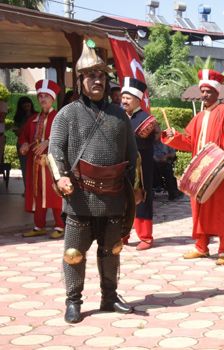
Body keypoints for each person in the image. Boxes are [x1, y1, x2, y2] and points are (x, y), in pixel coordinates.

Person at [48, 39, 138, 323]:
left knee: (111, 251)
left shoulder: (119, 116)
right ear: (81, 81)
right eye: (91, 75)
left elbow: (132, 156)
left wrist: (134, 190)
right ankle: (73, 301)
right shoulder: (67, 114)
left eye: (101, 75)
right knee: (74, 253)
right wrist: (60, 177)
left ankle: (109, 298)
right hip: (80, 197)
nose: (97, 80)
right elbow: (54, 151)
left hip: (113, 197)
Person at [162, 69, 224, 265]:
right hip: (200, 170)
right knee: (199, 207)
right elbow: (189, 142)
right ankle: (201, 246)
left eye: (208, 91)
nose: (205, 95)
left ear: (217, 92)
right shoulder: (198, 117)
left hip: (220, 168)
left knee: (223, 208)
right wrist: (174, 136)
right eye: (202, 91)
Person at [18, 80, 65, 239]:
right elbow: (23, 136)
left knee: (55, 192)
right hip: (35, 163)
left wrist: (48, 142)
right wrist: (23, 144)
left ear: (52, 99)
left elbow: (66, 137)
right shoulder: (33, 119)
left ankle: (60, 226)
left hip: (53, 163)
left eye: (46, 96)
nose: (42, 99)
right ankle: (39, 226)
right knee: (37, 193)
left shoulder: (59, 116)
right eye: (40, 96)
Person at [121, 77, 156, 251]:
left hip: (140, 168)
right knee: (122, 201)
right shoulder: (120, 117)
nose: (124, 101)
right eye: (123, 97)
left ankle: (146, 237)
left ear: (137, 100)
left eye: (128, 98)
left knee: (142, 198)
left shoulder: (146, 119)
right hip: (122, 166)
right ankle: (123, 234)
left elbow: (140, 140)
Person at [11, 96, 36, 186]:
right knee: (25, 168)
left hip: (34, 145)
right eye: (24, 103)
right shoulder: (17, 118)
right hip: (22, 145)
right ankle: (27, 189)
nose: (26, 104)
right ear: (21, 106)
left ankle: (35, 190)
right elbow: (17, 133)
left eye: (28, 102)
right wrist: (26, 122)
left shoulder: (37, 115)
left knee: (35, 168)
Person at [153, 127, 183, 201]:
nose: (154, 136)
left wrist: (166, 157)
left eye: (156, 133)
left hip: (165, 162)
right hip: (154, 163)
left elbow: (173, 154)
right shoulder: (150, 143)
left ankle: (172, 193)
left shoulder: (166, 140)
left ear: (160, 133)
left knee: (167, 169)